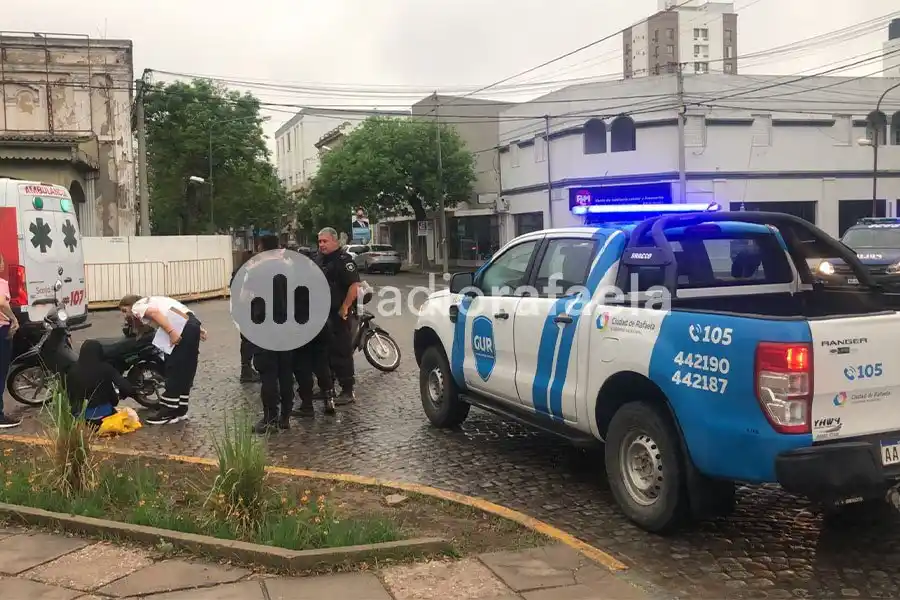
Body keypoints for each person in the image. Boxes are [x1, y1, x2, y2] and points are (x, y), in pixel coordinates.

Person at [118, 294, 207, 425]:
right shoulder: (156, 300)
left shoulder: (138, 306)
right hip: (190, 323)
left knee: (174, 367)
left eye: (125, 311)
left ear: (131, 305)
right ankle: (180, 409)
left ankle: (168, 411)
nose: (125, 315)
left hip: (180, 327)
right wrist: (198, 329)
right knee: (186, 368)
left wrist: (171, 332)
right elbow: (182, 311)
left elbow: (154, 313)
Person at [249, 234, 295, 433]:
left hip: (266, 327)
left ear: (261, 247)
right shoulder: (290, 268)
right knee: (285, 373)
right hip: (288, 328)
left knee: (268, 374)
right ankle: (285, 416)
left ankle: (270, 418)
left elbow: (245, 296)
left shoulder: (256, 270)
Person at [317, 227, 360, 405]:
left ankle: (347, 391)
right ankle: (328, 388)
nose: (321, 245)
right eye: (319, 242)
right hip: (322, 314)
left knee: (341, 351)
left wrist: (345, 307)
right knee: (324, 352)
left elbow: (354, 286)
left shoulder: (344, 260)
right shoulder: (320, 260)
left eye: (325, 241)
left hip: (338, 315)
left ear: (335, 241)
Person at [64, 340, 139, 428]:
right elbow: (126, 388)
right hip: (104, 417)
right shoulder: (106, 368)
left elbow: (69, 394)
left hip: (81, 417)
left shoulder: (72, 370)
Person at [231, 250, 259, 383]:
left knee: (247, 340)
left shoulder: (238, 271)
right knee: (249, 341)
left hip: (240, 310)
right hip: (246, 310)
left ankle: (247, 368)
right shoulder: (246, 273)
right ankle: (246, 371)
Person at [0, 253, 21, 429]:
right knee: (0, 373)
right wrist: (14, 319)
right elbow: (1, 303)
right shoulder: (1, 283)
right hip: (1, 331)